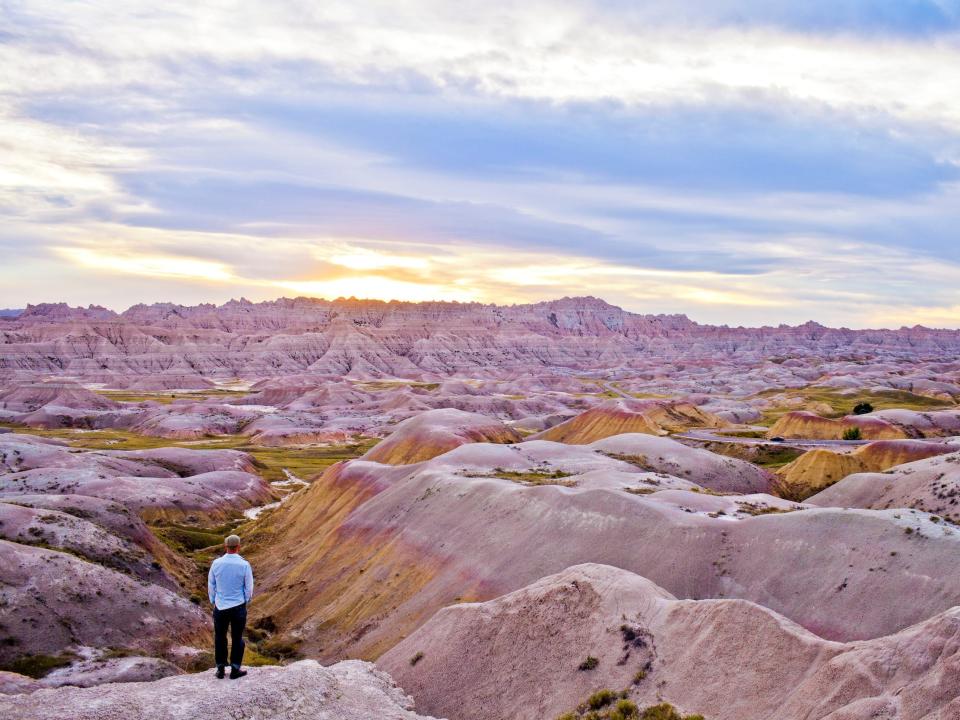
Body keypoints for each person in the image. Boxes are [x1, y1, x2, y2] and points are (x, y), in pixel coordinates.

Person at [207, 534, 254, 679]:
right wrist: (245, 600)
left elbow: (211, 584)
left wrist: (213, 600)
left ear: (225, 546)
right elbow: (249, 587)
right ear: (239, 547)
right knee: (237, 637)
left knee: (220, 637)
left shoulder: (216, 563)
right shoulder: (244, 565)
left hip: (220, 606)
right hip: (238, 606)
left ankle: (220, 669)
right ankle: (235, 669)